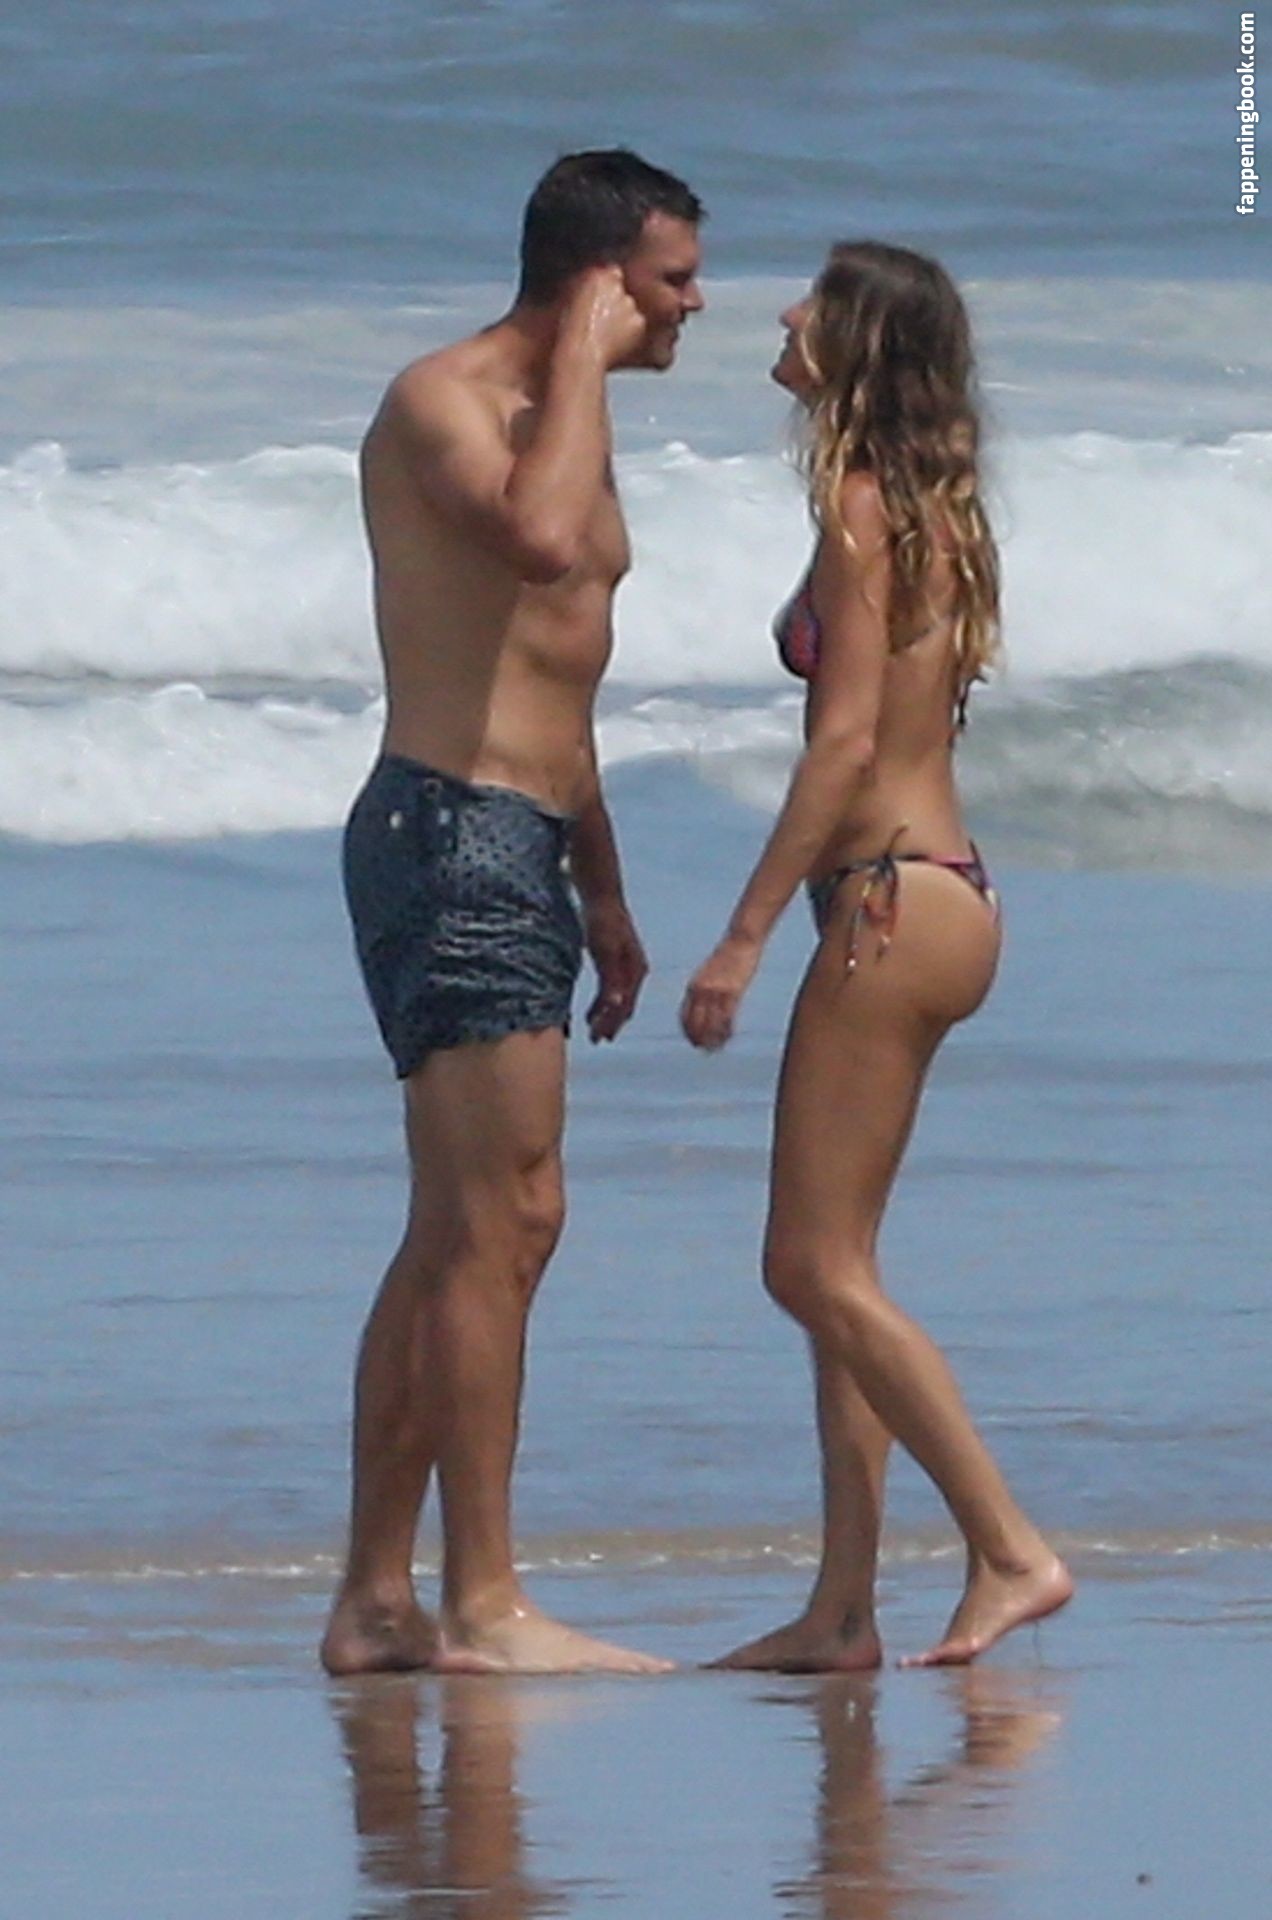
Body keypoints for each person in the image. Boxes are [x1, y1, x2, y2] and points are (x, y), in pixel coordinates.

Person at [322, 150, 705, 1676]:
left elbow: (559, 670)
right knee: (504, 1222)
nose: (692, 306)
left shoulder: (568, 426)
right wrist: (586, 367)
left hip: (527, 839)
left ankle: (377, 1600)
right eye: (671, 278)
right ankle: (482, 1601)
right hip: (447, 827)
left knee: (466, 1230)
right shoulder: (445, 403)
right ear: (599, 279)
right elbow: (538, 545)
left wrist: (602, 884)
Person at [680, 242, 1073, 1668]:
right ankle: (843, 1609)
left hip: (889, 904)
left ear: (860, 343)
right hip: (941, 894)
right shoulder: (922, 509)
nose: (785, 313)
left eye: (814, 302)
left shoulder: (861, 509)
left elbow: (845, 743)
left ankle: (1009, 1548)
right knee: (840, 1268)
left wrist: (738, 936)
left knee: (805, 1267)